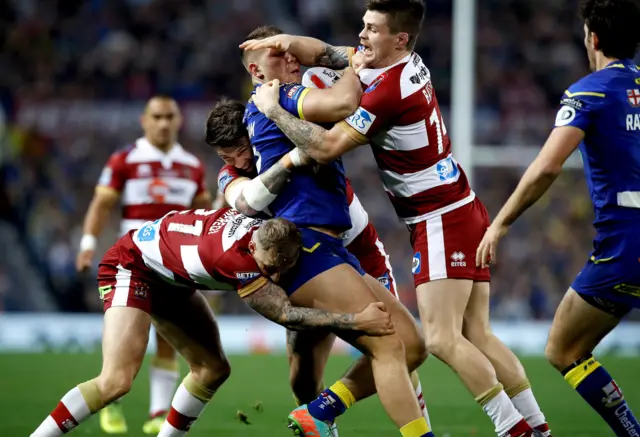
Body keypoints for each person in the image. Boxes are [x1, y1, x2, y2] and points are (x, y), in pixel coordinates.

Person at [242, 1, 550, 436]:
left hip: (438, 217)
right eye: (363, 26)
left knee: (440, 340)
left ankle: (512, 430)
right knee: (477, 333)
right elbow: (328, 51)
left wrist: (273, 108)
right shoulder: (396, 63)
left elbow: (327, 147)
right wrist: (286, 42)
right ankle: (538, 426)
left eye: (372, 29)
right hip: (460, 204)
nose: (362, 36)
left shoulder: (387, 89)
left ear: (399, 38)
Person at [30, 208, 395, 437]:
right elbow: (286, 315)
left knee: (212, 370)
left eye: (281, 269)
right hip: (132, 266)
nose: (273, 275)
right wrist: (354, 320)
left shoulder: (263, 234)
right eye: (269, 269)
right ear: (253, 249)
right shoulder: (238, 261)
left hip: (171, 275)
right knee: (116, 381)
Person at [237, 24, 431, 437]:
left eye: (290, 51)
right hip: (307, 245)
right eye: (277, 54)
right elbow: (345, 102)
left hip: (329, 243)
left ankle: (321, 410)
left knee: (413, 345)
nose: (290, 58)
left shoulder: (277, 101)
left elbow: (324, 53)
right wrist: (357, 64)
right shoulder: (280, 96)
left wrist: (314, 50)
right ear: (256, 70)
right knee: (387, 346)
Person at [476, 1, 640, 436]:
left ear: (593, 38)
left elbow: (548, 166)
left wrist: (501, 222)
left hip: (627, 245)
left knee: (564, 348)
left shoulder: (590, 92)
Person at [75, 95, 212, 435]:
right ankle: (112, 403)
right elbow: (102, 203)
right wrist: (88, 245)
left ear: (178, 120)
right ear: (144, 120)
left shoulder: (192, 166)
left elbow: (203, 213)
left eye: (169, 117)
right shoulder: (126, 159)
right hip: (132, 262)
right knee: (123, 339)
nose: (164, 123)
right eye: (157, 117)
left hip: (174, 265)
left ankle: (157, 413)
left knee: (169, 339)